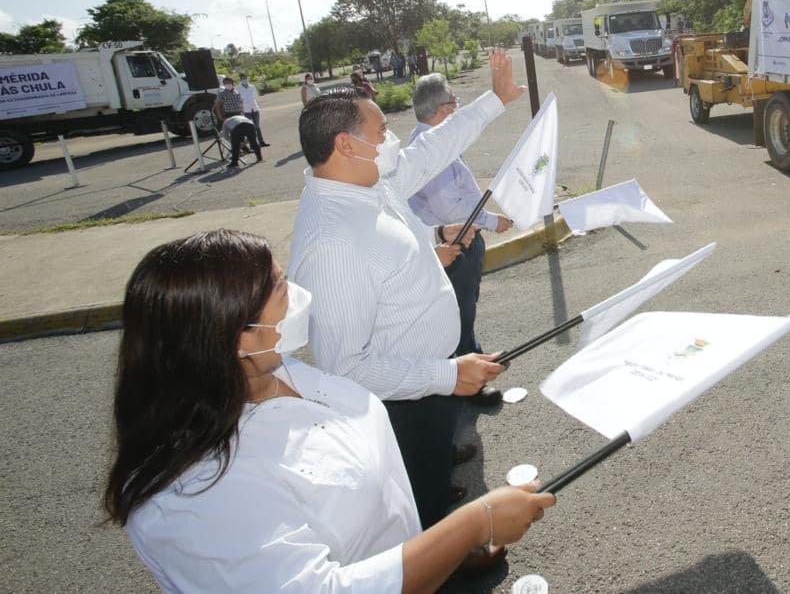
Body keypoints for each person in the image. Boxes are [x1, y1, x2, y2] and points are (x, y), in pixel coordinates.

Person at [104, 229, 554, 593]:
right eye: (281, 286)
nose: (300, 293)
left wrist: (438, 551)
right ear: (238, 334)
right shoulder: (194, 495)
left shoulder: (273, 366)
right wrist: (474, 524)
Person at [289, 49, 524, 550]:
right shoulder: (332, 242)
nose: (392, 141)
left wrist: (495, 101)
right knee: (411, 495)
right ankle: (446, 552)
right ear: (346, 144)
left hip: (428, 383)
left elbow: (433, 150)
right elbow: (345, 367)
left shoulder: (367, 182)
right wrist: (448, 375)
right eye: (380, 133)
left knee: (432, 463)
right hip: (402, 401)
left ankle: (437, 486)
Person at [408, 74, 514, 407]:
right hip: (452, 245)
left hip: (452, 242)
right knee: (459, 310)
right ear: (442, 109)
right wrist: (492, 220)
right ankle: (468, 380)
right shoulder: (431, 152)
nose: (459, 109)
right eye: (456, 103)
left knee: (462, 306)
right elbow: (452, 208)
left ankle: (473, 358)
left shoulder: (428, 142)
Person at [236, 72, 268, 147]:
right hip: (246, 111)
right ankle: (253, 144)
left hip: (255, 108)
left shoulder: (252, 87)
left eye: (245, 78)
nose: (244, 80)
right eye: (242, 78)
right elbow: (238, 100)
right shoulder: (238, 88)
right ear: (240, 79)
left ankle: (261, 142)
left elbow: (255, 97)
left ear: (247, 78)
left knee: (257, 126)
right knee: (249, 128)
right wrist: (241, 110)